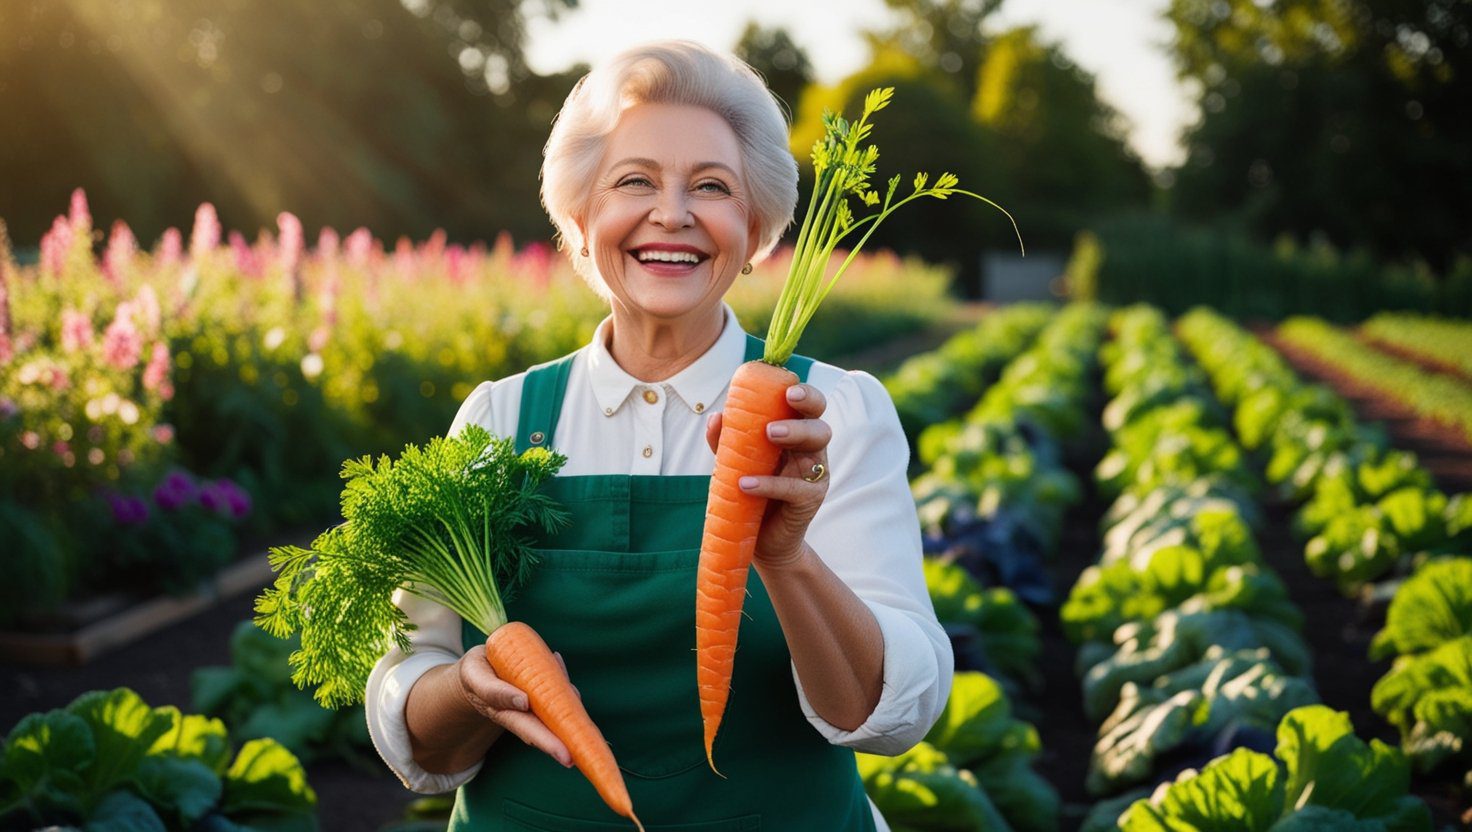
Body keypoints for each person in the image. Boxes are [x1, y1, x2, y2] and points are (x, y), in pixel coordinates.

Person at [363, 39, 953, 831]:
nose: (671, 213)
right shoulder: (498, 421)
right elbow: (420, 734)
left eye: (711, 187)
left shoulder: (833, 412)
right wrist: (471, 685)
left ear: (753, 229)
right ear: (580, 217)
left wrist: (786, 556)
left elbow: (895, 715)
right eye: (633, 180)